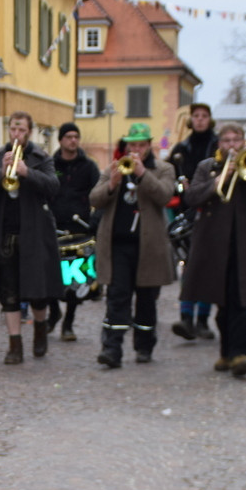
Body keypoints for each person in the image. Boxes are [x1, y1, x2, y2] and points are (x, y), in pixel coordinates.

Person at [179, 124, 246, 376]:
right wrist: (217, 181)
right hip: (214, 244)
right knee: (222, 302)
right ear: (219, 143)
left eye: (236, 140)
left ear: (244, 142)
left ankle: (241, 354)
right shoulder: (206, 167)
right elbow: (191, 198)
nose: (232, 145)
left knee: (242, 300)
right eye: (227, 140)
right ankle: (226, 353)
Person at [0, 111, 63, 364]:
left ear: (29, 132)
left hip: (35, 235)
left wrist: (25, 171)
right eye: (12, 129)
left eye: (21, 130)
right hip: (6, 235)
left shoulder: (42, 158)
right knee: (8, 293)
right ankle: (15, 346)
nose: (16, 134)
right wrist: (3, 171)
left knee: (38, 293)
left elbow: (53, 187)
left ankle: (40, 330)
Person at [89, 123, 176, 369]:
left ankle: (144, 346)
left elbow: (164, 196)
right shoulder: (113, 168)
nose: (136, 149)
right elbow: (94, 199)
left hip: (149, 246)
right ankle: (111, 349)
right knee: (117, 297)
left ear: (149, 145)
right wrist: (112, 184)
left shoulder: (164, 169)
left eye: (140, 144)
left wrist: (142, 174)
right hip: (118, 246)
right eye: (132, 145)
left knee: (147, 299)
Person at [167, 103, 219, 342]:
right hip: (187, 210)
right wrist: (181, 187)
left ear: (210, 119)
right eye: (195, 116)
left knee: (209, 268)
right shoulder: (181, 148)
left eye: (204, 116)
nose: (199, 120)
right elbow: (170, 176)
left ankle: (203, 320)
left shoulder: (218, 145)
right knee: (188, 266)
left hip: (213, 212)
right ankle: (186, 317)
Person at [47, 121, 100, 342]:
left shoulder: (89, 166)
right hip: (53, 229)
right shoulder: (49, 165)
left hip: (80, 231)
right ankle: (53, 311)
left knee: (76, 281)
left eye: (75, 136)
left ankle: (68, 322)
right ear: (60, 140)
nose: (73, 140)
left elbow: (99, 195)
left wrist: (95, 220)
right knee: (51, 278)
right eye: (68, 136)